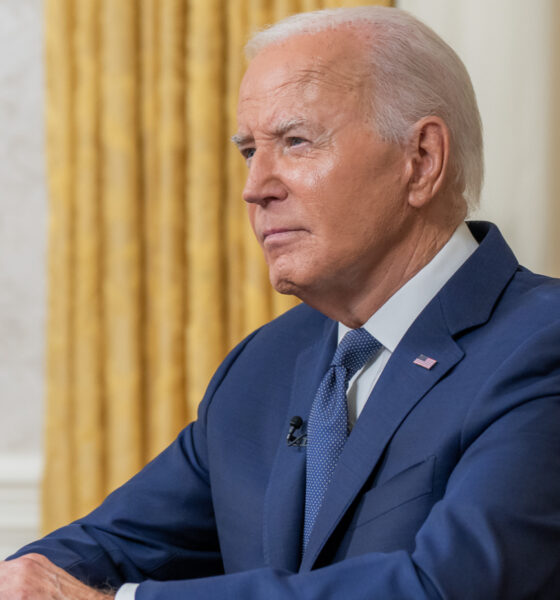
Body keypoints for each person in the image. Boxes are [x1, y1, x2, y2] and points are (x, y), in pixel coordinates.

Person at [2, 6, 560, 599]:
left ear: (420, 160)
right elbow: (106, 547)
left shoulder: (540, 346)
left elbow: (445, 588)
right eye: (249, 151)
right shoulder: (263, 365)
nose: (256, 186)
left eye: (295, 142)